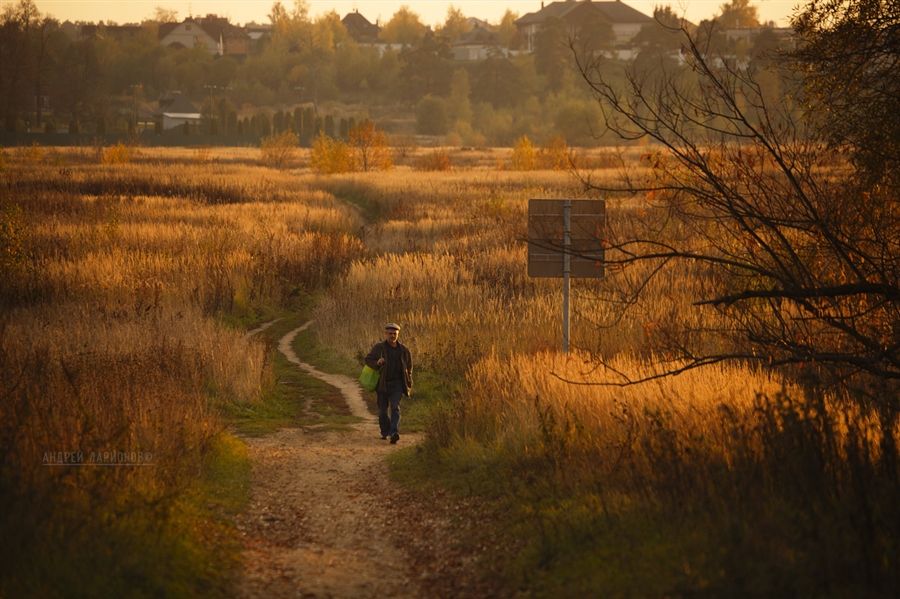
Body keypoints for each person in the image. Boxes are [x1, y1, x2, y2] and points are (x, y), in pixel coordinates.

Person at [364, 323, 413, 444]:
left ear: (398, 334)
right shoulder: (379, 348)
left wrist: (409, 380)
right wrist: (377, 363)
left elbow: (409, 366)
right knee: (382, 410)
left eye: (394, 333)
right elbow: (368, 359)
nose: (392, 335)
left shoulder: (404, 350)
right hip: (382, 383)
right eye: (390, 333)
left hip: (397, 383)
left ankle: (394, 433)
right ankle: (385, 431)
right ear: (385, 334)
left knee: (395, 407)